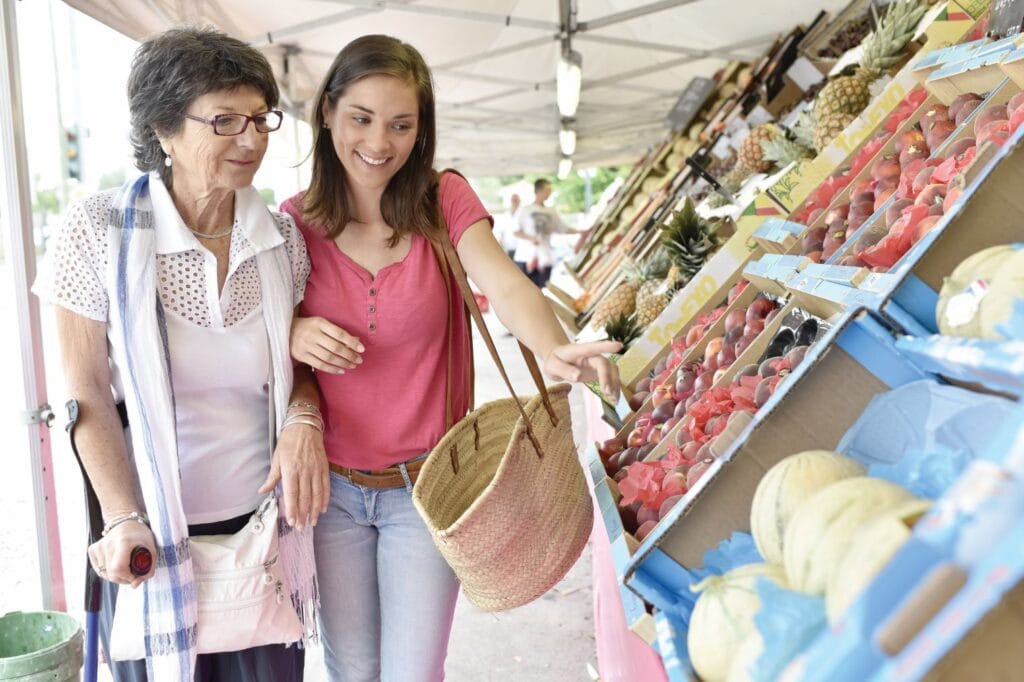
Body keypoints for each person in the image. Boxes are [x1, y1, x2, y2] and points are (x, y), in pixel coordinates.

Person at [281, 34, 621, 682]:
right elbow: (260, 342)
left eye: (401, 124)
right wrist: (293, 334)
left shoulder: (444, 201)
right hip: (332, 496)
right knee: (352, 670)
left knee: (413, 673)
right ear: (327, 113)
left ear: (422, 129)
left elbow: (507, 281)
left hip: (429, 489)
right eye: (361, 118)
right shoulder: (292, 225)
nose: (380, 142)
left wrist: (552, 347)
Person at [35, 28, 323, 681]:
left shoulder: (279, 238)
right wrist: (123, 516)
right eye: (224, 120)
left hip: (261, 543)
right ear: (163, 131)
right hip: (149, 547)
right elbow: (83, 394)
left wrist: (305, 420)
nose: (251, 140)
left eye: (259, 118)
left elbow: (299, 370)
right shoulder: (98, 230)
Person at [513, 178, 586, 288]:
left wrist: (581, 231)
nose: (549, 193)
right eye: (547, 190)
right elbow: (516, 232)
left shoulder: (551, 211)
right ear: (538, 190)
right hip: (526, 257)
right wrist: (531, 238)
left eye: (550, 190)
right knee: (525, 289)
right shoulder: (525, 210)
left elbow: (563, 228)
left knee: (541, 290)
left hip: (545, 257)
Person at [493, 192, 521, 260]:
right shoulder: (505, 215)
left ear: (519, 201)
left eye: (516, 200)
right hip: (507, 247)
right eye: (513, 200)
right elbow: (500, 231)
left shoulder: (522, 214)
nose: (514, 202)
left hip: (520, 249)